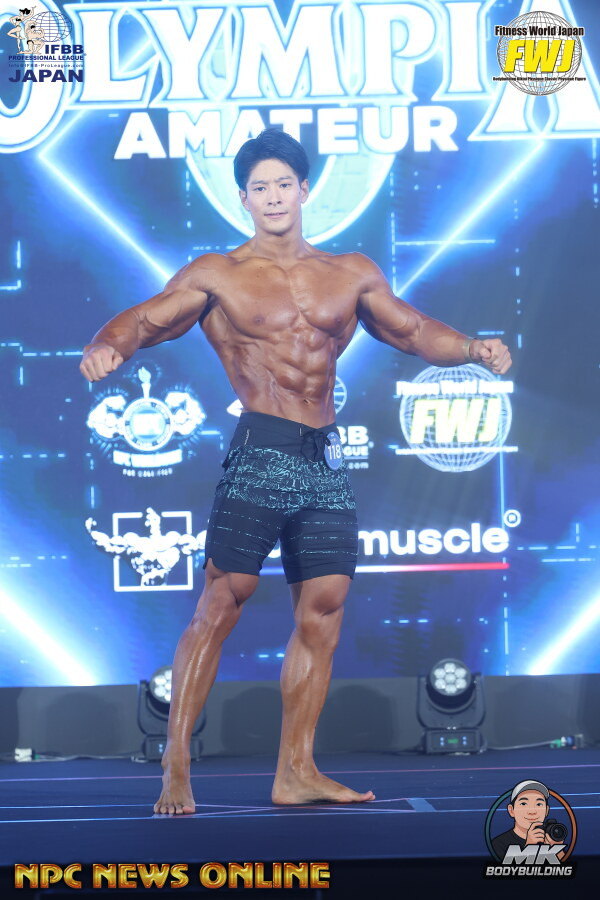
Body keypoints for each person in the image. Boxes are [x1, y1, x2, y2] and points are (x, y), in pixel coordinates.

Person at [80, 129, 511, 815]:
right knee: (223, 601)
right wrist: (109, 345)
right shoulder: (218, 274)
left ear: (305, 190)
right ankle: (176, 762)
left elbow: (409, 330)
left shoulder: (350, 272)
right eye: (261, 188)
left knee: (325, 609)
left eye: (284, 184)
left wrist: (470, 348)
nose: (274, 197)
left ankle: (297, 771)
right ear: (243, 198)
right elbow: (147, 322)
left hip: (325, 457)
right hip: (262, 449)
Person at [491, 781, 566, 861]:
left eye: (539, 804)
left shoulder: (551, 838)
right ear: (511, 810)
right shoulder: (498, 844)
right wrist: (529, 846)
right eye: (524, 804)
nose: (532, 811)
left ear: (547, 811)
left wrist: (557, 849)